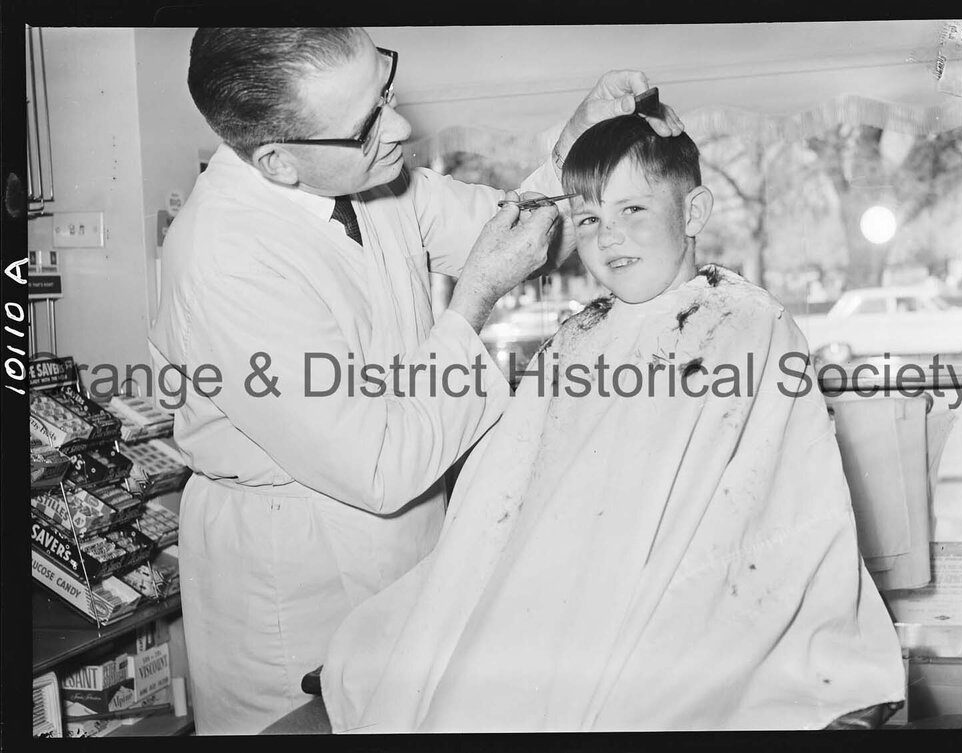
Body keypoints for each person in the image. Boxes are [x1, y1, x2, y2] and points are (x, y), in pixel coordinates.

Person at [148, 27, 684, 735]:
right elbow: (380, 462)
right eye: (368, 123)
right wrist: (474, 299)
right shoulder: (225, 262)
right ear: (277, 161)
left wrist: (574, 148)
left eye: (385, 88)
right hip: (295, 575)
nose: (399, 127)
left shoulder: (363, 172)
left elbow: (510, 234)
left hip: (405, 544)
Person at [319, 115, 906, 732]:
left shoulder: (743, 327)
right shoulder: (576, 336)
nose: (609, 238)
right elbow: (506, 505)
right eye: (591, 219)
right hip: (558, 593)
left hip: (689, 599)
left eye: (634, 210)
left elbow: (762, 506)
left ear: (695, 211)